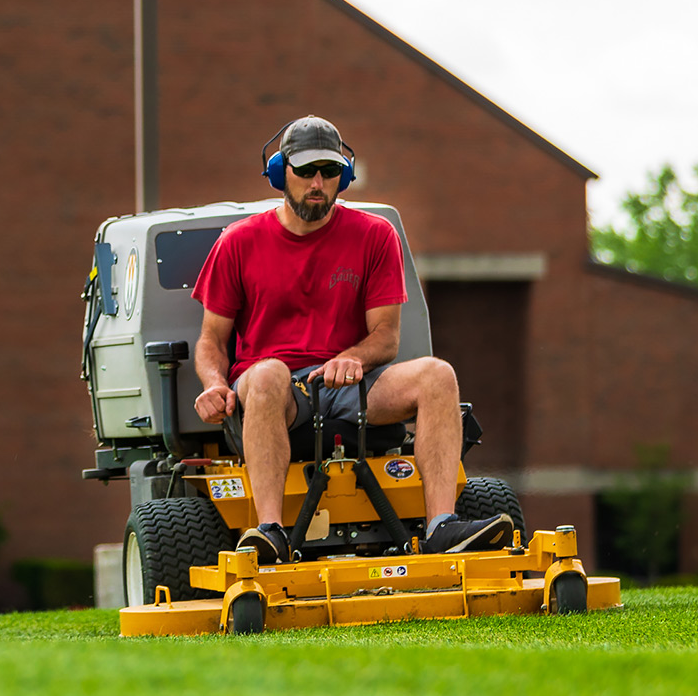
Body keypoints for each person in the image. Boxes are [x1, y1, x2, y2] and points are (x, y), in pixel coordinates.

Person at [189, 115, 514, 566]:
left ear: (345, 175)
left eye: (329, 171)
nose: (317, 182)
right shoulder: (237, 243)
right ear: (281, 172)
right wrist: (213, 384)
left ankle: (442, 525)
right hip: (273, 392)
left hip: (350, 388)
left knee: (438, 374)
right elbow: (211, 339)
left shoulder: (375, 236)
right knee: (267, 374)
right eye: (305, 172)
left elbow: (386, 336)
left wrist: (351, 358)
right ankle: (269, 532)